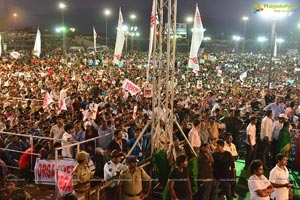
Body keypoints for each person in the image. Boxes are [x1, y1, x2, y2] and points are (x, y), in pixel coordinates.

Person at [223, 133, 238, 198]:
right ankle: (224, 194)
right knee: (226, 182)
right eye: (228, 138)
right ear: (225, 138)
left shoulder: (233, 145)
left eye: (231, 138)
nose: (230, 139)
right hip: (226, 167)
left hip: (233, 166)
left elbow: (236, 156)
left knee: (234, 180)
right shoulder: (223, 146)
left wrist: (231, 159)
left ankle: (233, 192)